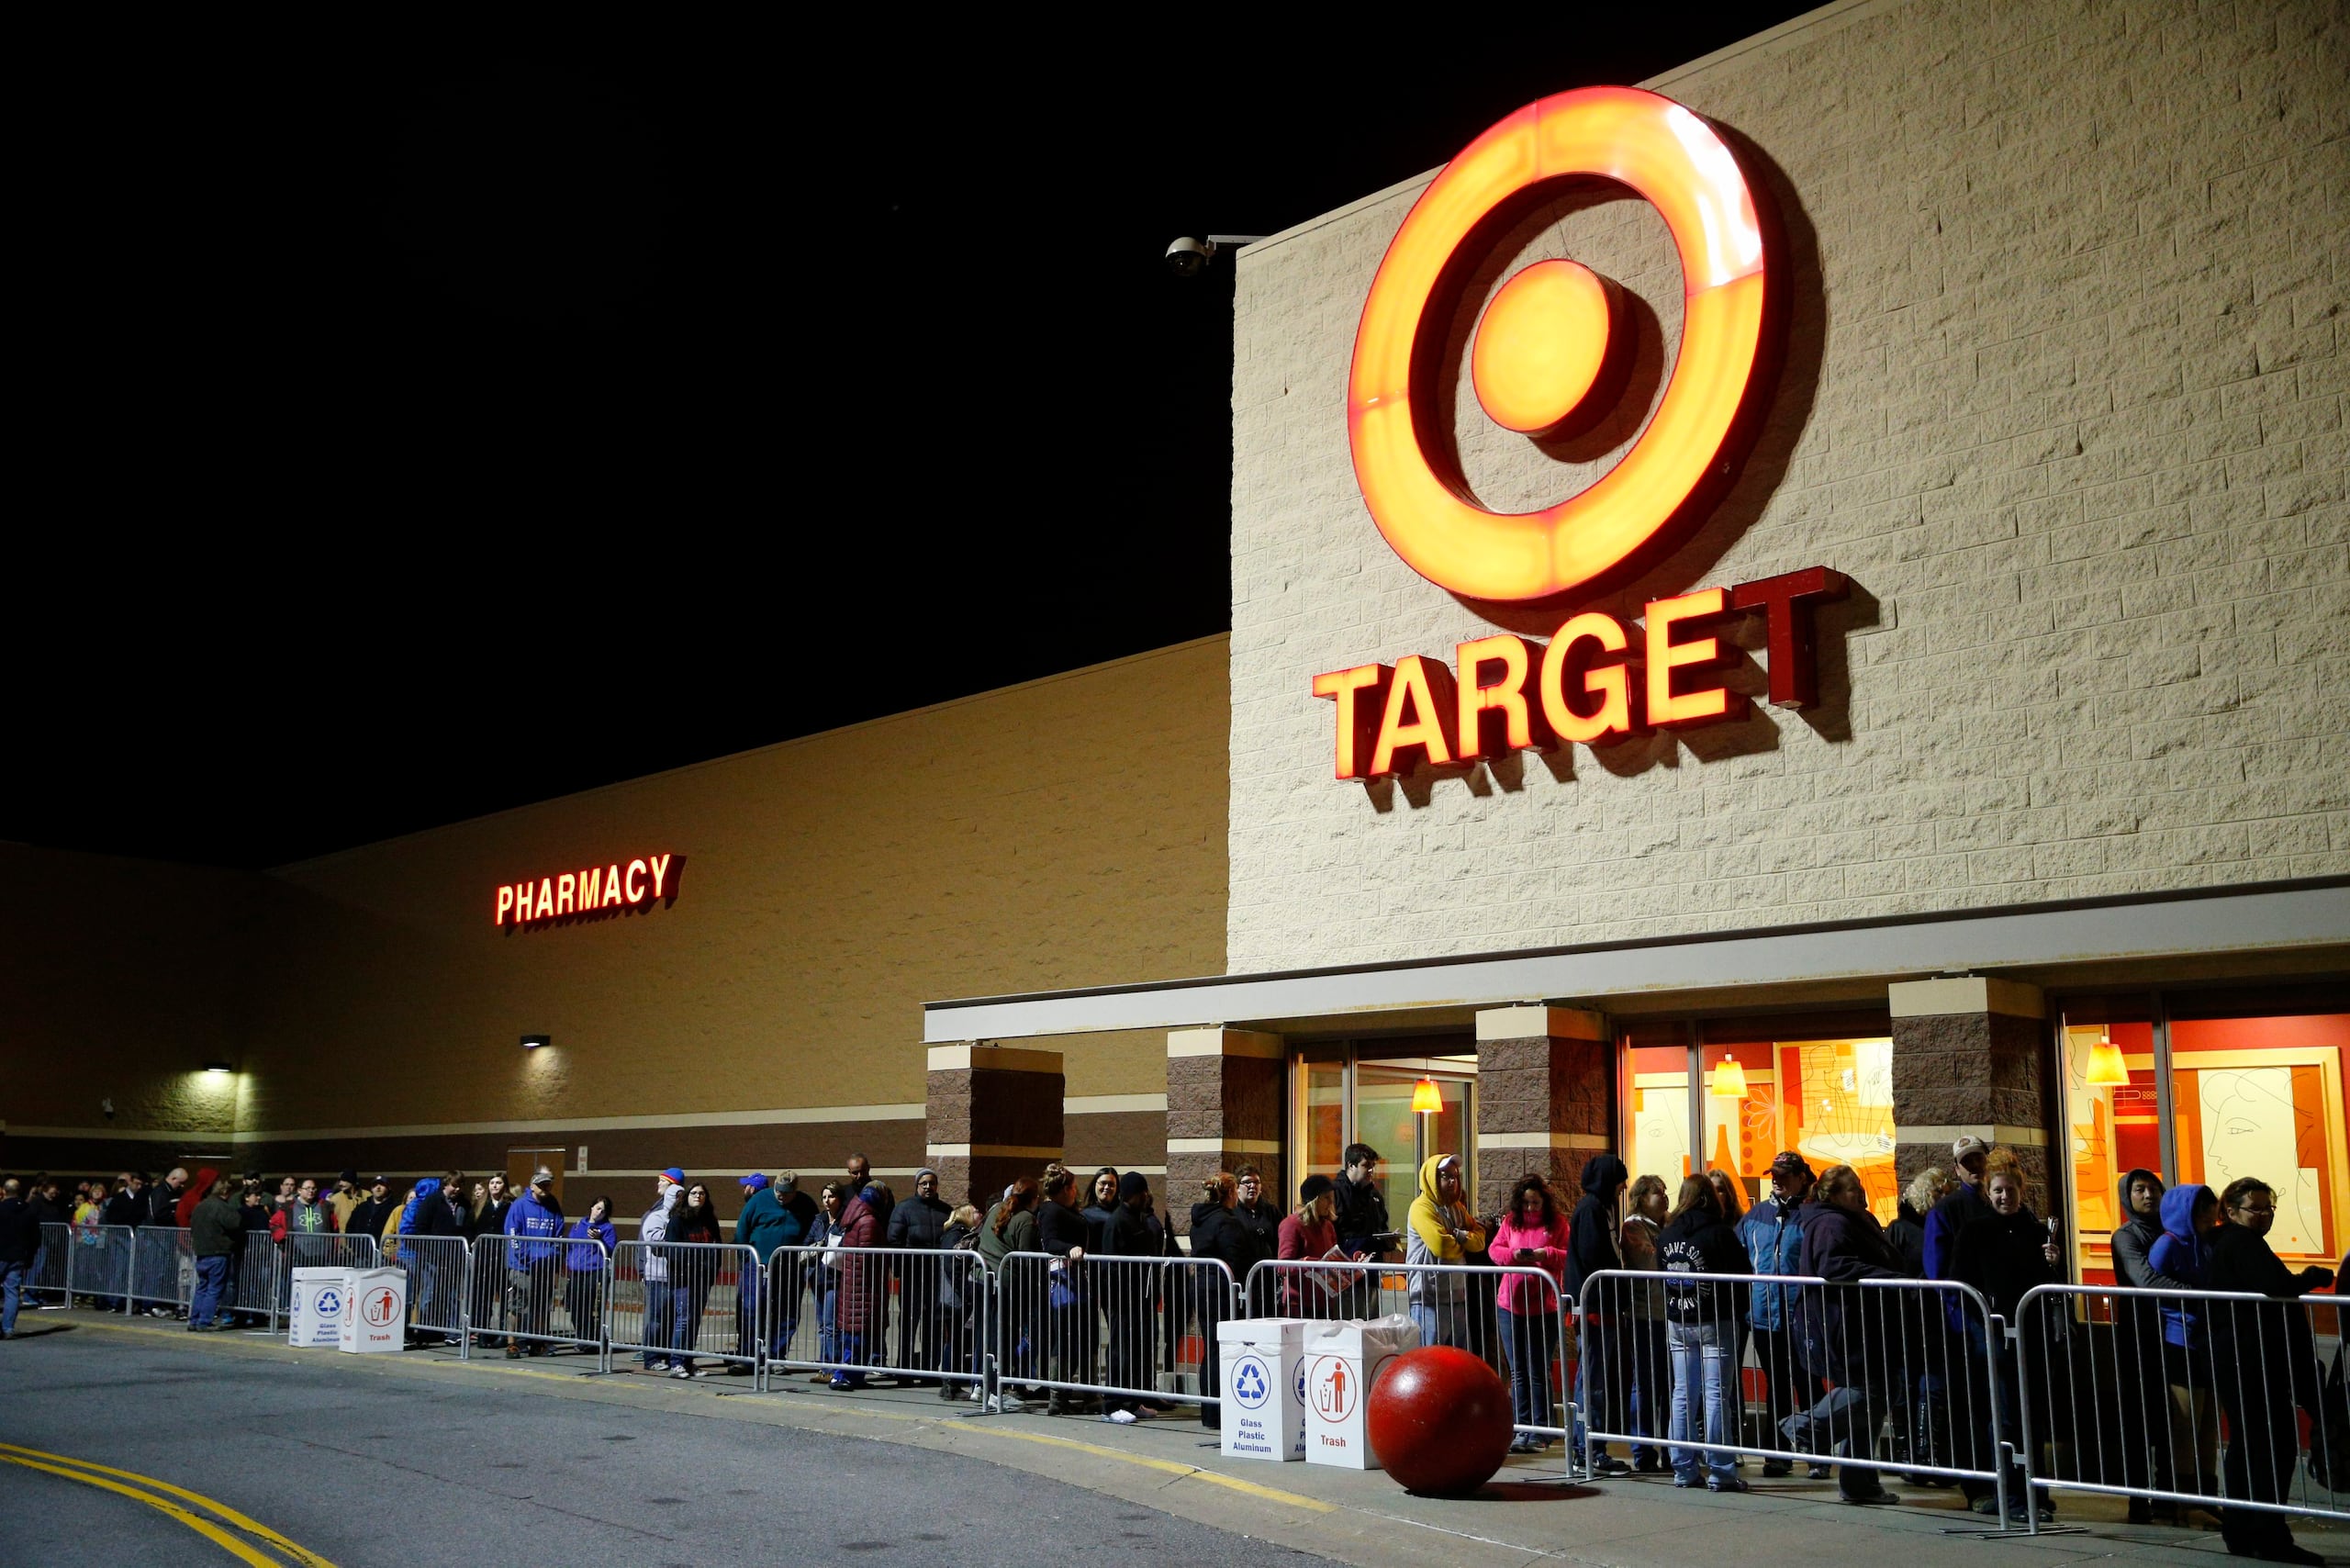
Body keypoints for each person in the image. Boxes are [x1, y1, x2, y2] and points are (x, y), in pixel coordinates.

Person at [2207, 1177, 2335, 1564]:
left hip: (2246, 1359)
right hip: (2254, 1361)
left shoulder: (2233, 1243)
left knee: (2250, 1448)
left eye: (2269, 1209)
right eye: (2256, 1209)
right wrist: (2312, 1278)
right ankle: (2267, 1534)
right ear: (2231, 1211)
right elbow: (2276, 1286)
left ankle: (2245, 1530)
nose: (2264, 1216)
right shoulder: (2240, 1243)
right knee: (2268, 1447)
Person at [1947, 1157, 2062, 1521]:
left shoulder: (2034, 1229)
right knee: (2006, 1416)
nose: (2004, 1196)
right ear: (1988, 1192)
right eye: (1998, 1190)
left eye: (2011, 1190)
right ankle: (2012, 1496)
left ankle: (2035, 1494)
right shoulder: (1975, 1230)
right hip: (1994, 1334)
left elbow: (2048, 1284)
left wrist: (2053, 1261)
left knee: (2033, 1415)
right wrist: (1977, 1325)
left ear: (2021, 1191)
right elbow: (1958, 1281)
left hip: (2030, 1332)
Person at [1784, 1162, 1903, 1506]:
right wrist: (1883, 1276)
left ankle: (1859, 1481)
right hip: (1847, 1323)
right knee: (1869, 1393)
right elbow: (1833, 1265)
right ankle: (1806, 1425)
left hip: (1866, 1321)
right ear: (1834, 1194)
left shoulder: (1851, 1219)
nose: (1861, 1192)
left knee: (1874, 1402)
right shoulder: (1831, 1223)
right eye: (1853, 1187)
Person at [1658, 1174, 1751, 1491]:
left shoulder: (1667, 1233)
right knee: (1715, 1396)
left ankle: (1683, 1468)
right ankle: (1721, 1470)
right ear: (1707, 1198)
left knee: (1682, 1394)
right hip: (1715, 1319)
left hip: (1678, 1319)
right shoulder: (1719, 1233)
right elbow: (1743, 1272)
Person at [1739, 1151, 1828, 1480]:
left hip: (1802, 1316)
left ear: (1802, 1178)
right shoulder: (1757, 1215)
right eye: (1774, 1174)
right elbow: (1740, 1256)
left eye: (1784, 1175)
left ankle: (1819, 1453)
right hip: (1764, 1317)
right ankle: (1777, 1454)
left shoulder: (1811, 1215)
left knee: (1808, 1384)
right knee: (1776, 1386)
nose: (1776, 1180)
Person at [2109, 1167, 2188, 1519]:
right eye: (2139, 1189)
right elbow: (2143, 1277)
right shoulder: (2126, 1236)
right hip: (2138, 1336)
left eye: (2153, 1188)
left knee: (2172, 1418)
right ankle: (2138, 1499)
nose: (2148, 1195)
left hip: (2172, 1334)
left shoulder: (2173, 1232)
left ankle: (2169, 1496)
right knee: (2139, 1419)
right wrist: (2192, 1293)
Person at [1488, 1173, 1570, 1452]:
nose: (1531, 1209)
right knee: (1518, 1369)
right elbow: (1495, 1250)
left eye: (1535, 1203)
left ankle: (1542, 1428)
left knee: (1538, 1370)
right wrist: (1515, 1256)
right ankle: (1521, 1427)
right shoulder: (1512, 1221)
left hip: (1543, 1306)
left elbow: (1568, 1255)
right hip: (1510, 1303)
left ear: (1544, 1201)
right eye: (1526, 1204)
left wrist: (1545, 1254)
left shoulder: (1557, 1223)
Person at [1564, 1153, 1630, 1474]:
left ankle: (1589, 1446)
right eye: (1619, 1181)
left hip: (1600, 1304)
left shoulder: (1599, 1208)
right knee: (1592, 1380)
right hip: (1594, 1307)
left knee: (1594, 1378)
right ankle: (1587, 1448)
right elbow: (1595, 1258)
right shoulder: (1591, 1209)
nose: (1622, 1188)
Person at [1189, 1171, 1270, 1432]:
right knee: (1220, 1349)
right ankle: (1220, 1411)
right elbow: (1237, 1258)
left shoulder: (1200, 1220)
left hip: (1202, 1288)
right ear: (1230, 1194)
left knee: (1210, 1347)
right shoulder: (1227, 1222)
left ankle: (1209, 1411)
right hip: (1221, 1291)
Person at [1404, 1153, 1487, 1352]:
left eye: (1455, 1176)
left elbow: (1480, 1240)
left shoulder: (1457, 1207)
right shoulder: (1421, 1207)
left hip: (1456, 1295)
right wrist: (1465, 1242)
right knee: (1430, 1357)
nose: (1452, 1181)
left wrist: (1457, 1235)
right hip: (1428, 1298)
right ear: (1431, 1177)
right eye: (1445, 1176)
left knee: (1456, 1357)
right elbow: (1440, 1246)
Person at [1101, 1172, 1165, 1423]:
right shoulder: (1117, 1222)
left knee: (1137, 1351)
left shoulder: (1138, 1218)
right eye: (1143, 1193)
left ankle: (1133, 1400)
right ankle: (1113, 1403)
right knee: (1121, 1352)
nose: (1147, 1197)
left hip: (1140, 1297)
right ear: (1135, 1195)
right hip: (1124, 1299)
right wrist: (1119, 1296)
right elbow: (1111, 1265)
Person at [1621, 1173, 1673, 1473]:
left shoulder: (1666, 1226)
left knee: (1670, 1386)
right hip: (1645, 1316)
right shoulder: (1634, 1228)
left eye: (1666, 1192)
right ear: (1642, 1197)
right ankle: (1643, 1451)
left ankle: (1670, 1449)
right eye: (1657, 1192)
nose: (1664, 1197)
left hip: (1668, 1316)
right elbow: (1651, 1262)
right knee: (1644, 1386)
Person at [735, 1171, 813, 1367]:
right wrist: (747, 1258)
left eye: (786, 1193)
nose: (781, 1195)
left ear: (794, 1191)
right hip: (758, 1265)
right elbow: (742, 1230)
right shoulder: (759, 1200)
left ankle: (776, 1356)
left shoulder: (805, 1204)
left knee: (787, 1313)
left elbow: (812, 1231)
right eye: (778, 1191)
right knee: (752, 1310)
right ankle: (749, 1356)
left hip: (790, 1268)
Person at [1035, 1167, 1095, 1415]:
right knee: (1066, 1338)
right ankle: (1058, 1397)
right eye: (1072, 1187)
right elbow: (1050, 1242)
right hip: (1064, 1284)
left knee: (1083, 1338)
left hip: (1077, 1282)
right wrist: (1070, 1248)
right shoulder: (1050, 1210)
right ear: (1063, 1189)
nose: (1075, 1191)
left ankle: (1087, 1393)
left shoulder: (1067, 1210)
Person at [888, 1168, 954, 1382]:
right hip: (913, 1273)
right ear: (917, 1185)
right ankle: (905, 1370)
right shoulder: (904, 1209)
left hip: (937, 1275)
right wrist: (898, 1270)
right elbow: (894, 1240)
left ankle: (929, 1370)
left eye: (932, 1183)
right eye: (924, 1183)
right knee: (908, 1321)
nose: (928, 1187)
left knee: (934, 1323)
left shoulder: (945, 1210)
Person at [500, 1169, 566, 1358]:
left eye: (548, 1184)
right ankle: (512, 1343)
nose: (545, 1187)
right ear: (532, 1186)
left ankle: (538, 1342)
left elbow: (559, 1233)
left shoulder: (553, 1205)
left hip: (544, 1265)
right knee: (518, 1305)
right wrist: (526, 1256)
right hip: (523, 1266)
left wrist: (552, 1255)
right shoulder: (519, 1205)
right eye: (541, 1184)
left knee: (542, 1305)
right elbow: (513, 1233)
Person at [663, 1182, 724, 1378]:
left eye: (702, 1193)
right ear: (686, 1197)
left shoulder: (709, 1221)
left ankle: (688, 1362)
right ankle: (677, 1363)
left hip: (703, 1279)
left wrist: (712, 1271)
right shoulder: (678, 1221)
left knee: (694, 1321)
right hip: (683, 1279)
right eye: (694, 1193)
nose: (698, 1196)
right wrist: (692, 1264)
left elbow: (717, 1247)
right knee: (684, 1320)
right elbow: (671, 1251)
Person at [828, 1182, 882, 1389]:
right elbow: (867, 1258)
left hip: (854, 1284)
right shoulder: (868, 1221)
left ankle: (855, 1376)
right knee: (856, 1335)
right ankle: (842, 1375)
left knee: (857, 1334)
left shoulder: (854, 1218)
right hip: (863, 1285)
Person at [1331, 1144, 1394, 1317]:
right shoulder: (1335, 1192)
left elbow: (1382, 1226)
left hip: (1371, 1272)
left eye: (1373, 1166)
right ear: (1351, 1165)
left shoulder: (1374, 1195)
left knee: (1370, 1323)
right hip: (1345, 1274)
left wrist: (1388, 1241)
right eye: (1366, 1165)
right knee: (1346, 1323)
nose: (1371, 1170)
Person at [1278, 1174, 1347, 1317]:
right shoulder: (1292, 1224)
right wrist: (1305, 1263)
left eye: (1332, 1198)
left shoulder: (1327, 1225)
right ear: (1314, 1200)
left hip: (1325, 1302)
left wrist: (1352, 1262)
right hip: (1300, 1304)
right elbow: (1282, 1266)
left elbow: (1333, 1257)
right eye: (1326, 1198)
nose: (1331, 1203)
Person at [638, 1169, 685, 1374]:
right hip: (657, 1274)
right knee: (655, 1318)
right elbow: (649, 1242)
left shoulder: (681, 1216)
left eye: (662, 1181)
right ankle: (651, 1356)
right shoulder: (656, 1214)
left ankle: (663, 1354)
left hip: (675, 1276)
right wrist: (642, 1268)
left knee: (669, 1319)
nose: (657, 1185)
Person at [188, 1172, 242, 1332]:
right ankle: (204, 1321)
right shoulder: (220, 1206)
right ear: (224, 1192)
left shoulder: (200, 1206)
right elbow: (235, 1223)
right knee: (214, 1289)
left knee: (202, 1288)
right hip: (217, 1252)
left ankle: (194, 1320)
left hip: (202, 1252)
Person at [563, 1196, 617, 1349]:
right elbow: (571, 1243)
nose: (599, 1212)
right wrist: (569, 1261)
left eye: (603, 1211)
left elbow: (611, 1249)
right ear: (592, 1207)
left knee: (592, 1307)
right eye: (597, 1208)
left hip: (595, 1270)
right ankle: (582, 1336)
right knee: (575, 1305)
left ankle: (594, 1339)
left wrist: (600, 1238)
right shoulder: (580, 1224)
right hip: (576, 1270)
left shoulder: (607, 1228)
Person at [0, 1179, 40, 1339]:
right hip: (18, 1255)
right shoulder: (28, 1211)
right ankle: (8, 1328)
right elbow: (35, 1237)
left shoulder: (1, 1208)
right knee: (12, 1292)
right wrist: (29, 1256)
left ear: (4, 1190)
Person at [1232, 1166, 1281, 1260]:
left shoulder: (1271, 1211)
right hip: (1242, 1270)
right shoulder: (1231, 1212)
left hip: (1268, 1269)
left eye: (1256, 1182)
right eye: (1247, 1182)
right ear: (1237, 1187)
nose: (1252, 1186)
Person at [845, 1154, 893, 1232]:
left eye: (862, 1171)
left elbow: (889, 1219)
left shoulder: (881, 1191)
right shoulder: (844, 1193)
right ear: (849, 1172)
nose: (859, 1176)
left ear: (868, 1168)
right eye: (855, 1173)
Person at [345, 1178, 396, 1249]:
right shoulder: (362, 1207)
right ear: (371, 1189)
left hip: (382, 1253)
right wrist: (353, 1245)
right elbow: (350, 1227)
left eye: (382, 1185)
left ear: (389, 1188)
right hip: (360, 1253)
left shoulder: (394, 1208)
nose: (378, 1187)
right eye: (375, 1185)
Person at [329, 1170, 363, 1234]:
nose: (340, 1184)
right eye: (340, 1181)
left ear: (352, 1181)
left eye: (344, 1181)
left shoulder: (367, 1196)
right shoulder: (335, 1199)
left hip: (362, 1240)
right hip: (343, 1240)